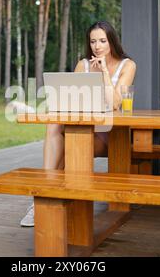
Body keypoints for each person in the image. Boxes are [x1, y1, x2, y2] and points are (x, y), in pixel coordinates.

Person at [20, 21, 137, 227]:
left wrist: (103, 74)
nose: (97, 46)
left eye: (102, 40)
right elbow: (70, 102)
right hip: (82, 128)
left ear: (112, 41)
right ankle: (46, 192)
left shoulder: (127, 65)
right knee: (54, 124)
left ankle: (42, 200)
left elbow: (115, 103)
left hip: (109, 135)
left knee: (65, 149)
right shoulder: (83, 65)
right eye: (93, 41)